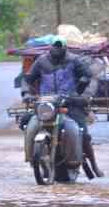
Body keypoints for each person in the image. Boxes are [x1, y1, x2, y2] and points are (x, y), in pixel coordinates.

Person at [21, 36, 104, 177]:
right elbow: (27, 79)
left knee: (82, 132)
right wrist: (26, 93)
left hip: (70, 102)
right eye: (54, 46)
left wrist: (83, 96)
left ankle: (94, 164)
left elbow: (89, 77)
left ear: (65, 48)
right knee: (26, 122)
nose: (57, 49)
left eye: (60, 47)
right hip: (46, 104)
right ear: (50, 47)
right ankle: (34, 157)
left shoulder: (74, 60)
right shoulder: (41, 61)